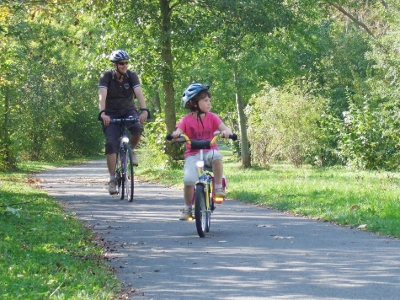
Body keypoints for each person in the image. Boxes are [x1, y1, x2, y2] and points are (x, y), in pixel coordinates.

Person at [170, 83, 233, 220]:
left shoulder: (212, 117)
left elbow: (224, 128)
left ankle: (217, 187)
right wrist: (176, 134)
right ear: (193, 103)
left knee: (217, 156)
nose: (209, 103)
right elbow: (179, 130)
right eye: (205, 100)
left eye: (209, 100)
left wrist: (226, 132)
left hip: (209, 151)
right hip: (192, 155)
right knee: (188, 180)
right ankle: (187, 208)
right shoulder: (186, 120)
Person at [98, 49, 149, 195]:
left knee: (137, 128)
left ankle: (130, 150)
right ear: (114, 65)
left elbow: (138, 93)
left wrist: (144, 110)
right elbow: (102, 96)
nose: (124, 65)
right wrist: (103, 114)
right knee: (111, 142)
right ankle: (112, 179)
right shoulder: (106, 76)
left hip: (128, 110)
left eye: (126, 63)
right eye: (121, 63)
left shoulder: (131, 76)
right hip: (110, 113)